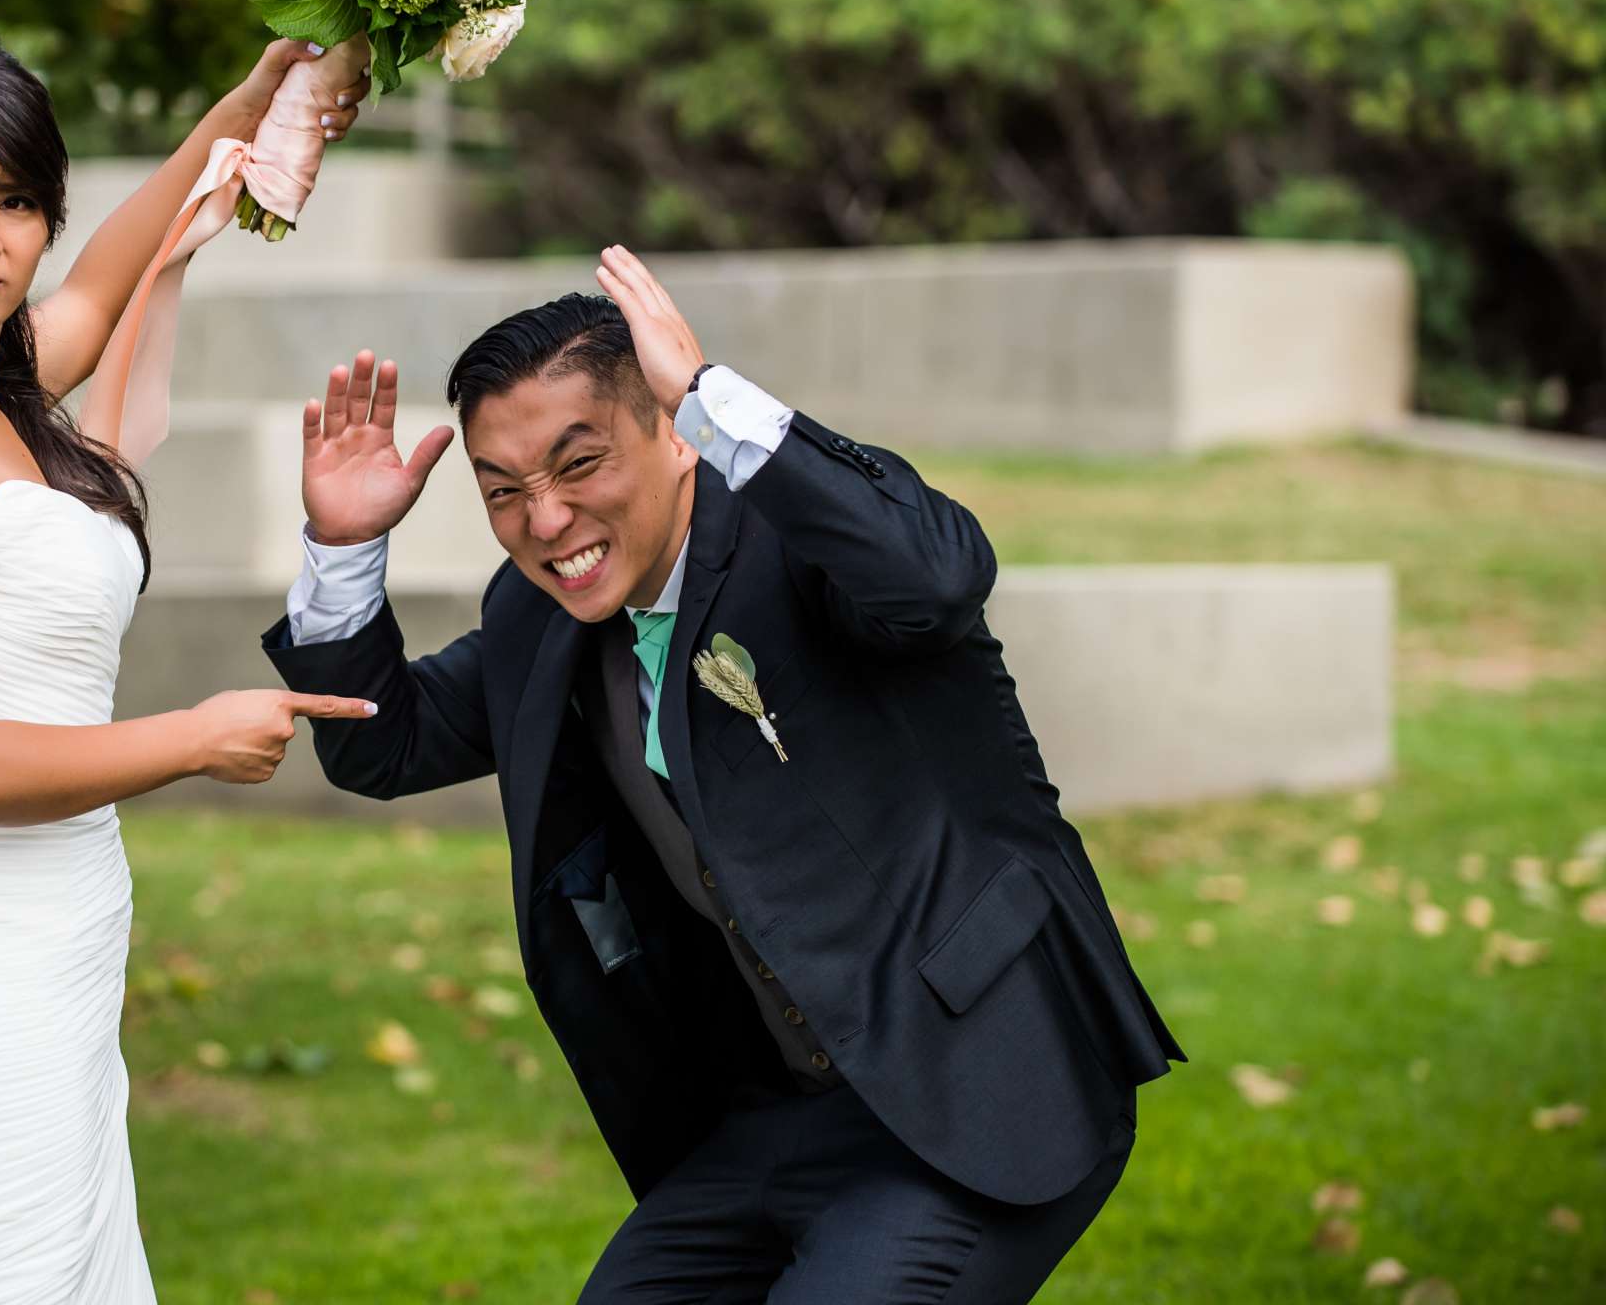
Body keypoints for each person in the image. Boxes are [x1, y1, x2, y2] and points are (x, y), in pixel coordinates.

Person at [263, 246, 1186, 1303]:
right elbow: (385, 745)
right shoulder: (538, 615)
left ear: (675, 440)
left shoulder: (804, 544)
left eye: (578, 465)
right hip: (774, 1117)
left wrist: (712, 397)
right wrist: (341, 547)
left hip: (979, 1082)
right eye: (503, 489)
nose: (546, 520)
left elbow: (937, 579)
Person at [0, 18, 375, 1304]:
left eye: (19, 202)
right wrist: (196, 739)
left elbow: (106, 287)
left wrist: (252, 99)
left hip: (46, 952)